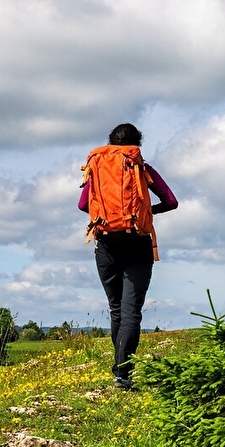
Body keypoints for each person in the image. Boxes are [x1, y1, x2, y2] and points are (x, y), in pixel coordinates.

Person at [79, 123, 178, 388]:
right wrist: (145, 212)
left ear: (110, 142)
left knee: (116, 310)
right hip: (137, 242)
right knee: (131, 311)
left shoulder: (97, 165)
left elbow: (82, 205)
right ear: (137, 143)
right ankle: (122, 374)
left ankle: (121, 370)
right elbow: (171, 201)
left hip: (106, 245)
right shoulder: (141, 167)